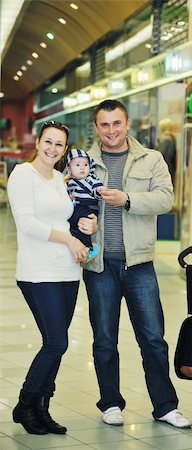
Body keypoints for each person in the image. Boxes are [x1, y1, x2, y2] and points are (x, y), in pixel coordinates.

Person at [82, 99, 192, 428]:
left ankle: (165, 406)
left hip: (140, 264)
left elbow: (165, 198)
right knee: (104, 339)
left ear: (127, 123)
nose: (111, 131)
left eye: (117, 123)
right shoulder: (84, 162)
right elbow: (69, 202)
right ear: (97, 127)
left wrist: (127, 199)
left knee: (153, 339)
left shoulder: (151, 159)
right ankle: (110, 403)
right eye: (105, 124)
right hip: (99, 266)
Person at [7, 120, 96, 435]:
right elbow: (28, 224)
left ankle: (41, 409)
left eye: (59, 145)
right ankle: (24, 403)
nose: (53, 149)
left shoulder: (63, 178)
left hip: (67, 271)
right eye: (48, 141)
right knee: (56, 341)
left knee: (55, 343)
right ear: (38, 141)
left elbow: (72, 216)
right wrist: (69, 240)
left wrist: (88, 226)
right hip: (37, 271)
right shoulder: (22, 176)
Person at [66, 148, 103, 263]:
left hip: (88, 208)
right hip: (77, 206)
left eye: (85, 164)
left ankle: (89, 248)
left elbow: (97, 188)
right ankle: (80, 247)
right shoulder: (69, 181)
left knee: (83, 225)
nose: (82, 168)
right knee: (74, 225)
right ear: (69, 168)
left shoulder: (91, 178)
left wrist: (99, 191)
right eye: (77, 165)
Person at [157, 118, 177, 187]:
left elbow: (160, 155)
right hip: (170, 167)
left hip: (166, 168)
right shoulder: (171, 138)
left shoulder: (166, 139)